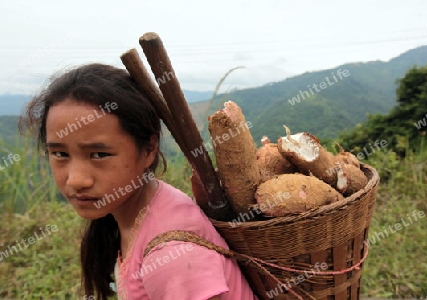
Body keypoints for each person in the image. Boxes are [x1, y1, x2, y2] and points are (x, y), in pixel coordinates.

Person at [20, 63, 257, 300]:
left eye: (100, 154)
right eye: (60, 154)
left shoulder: (171, 258)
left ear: (148, 150)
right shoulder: (136, 211)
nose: (76, 180)